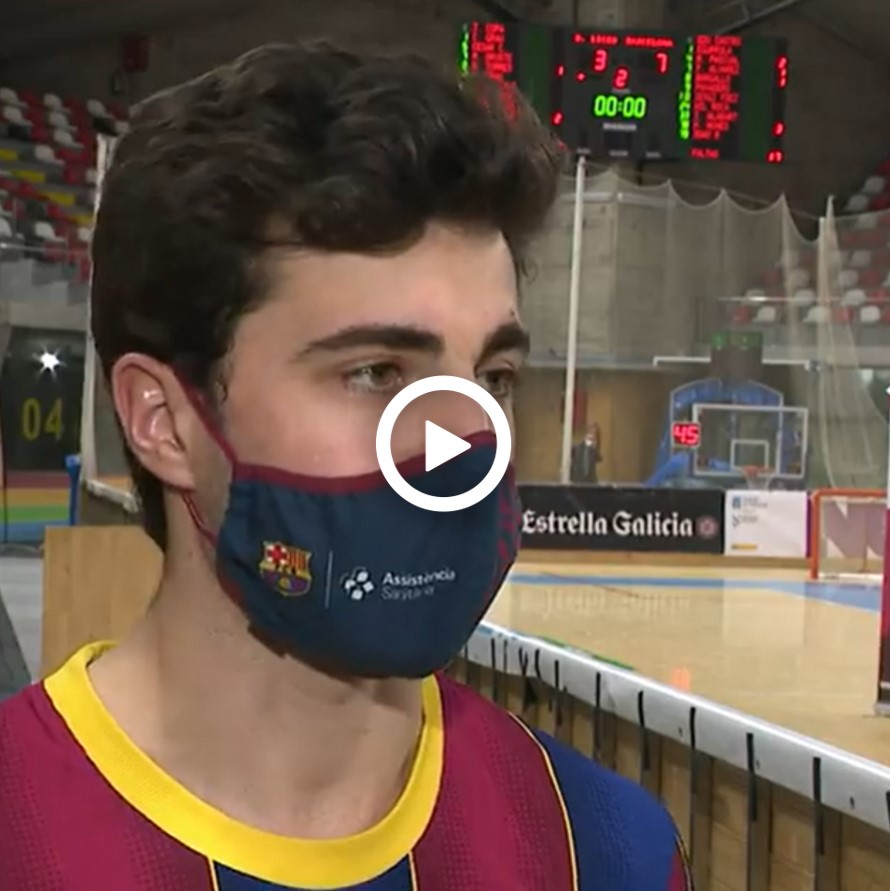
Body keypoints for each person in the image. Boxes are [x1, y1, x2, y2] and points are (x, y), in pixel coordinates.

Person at [0, 43, 691, 890]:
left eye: (493, 377)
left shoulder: (606, 850)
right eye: (375, 373)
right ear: (165, 421)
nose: (464, 442)